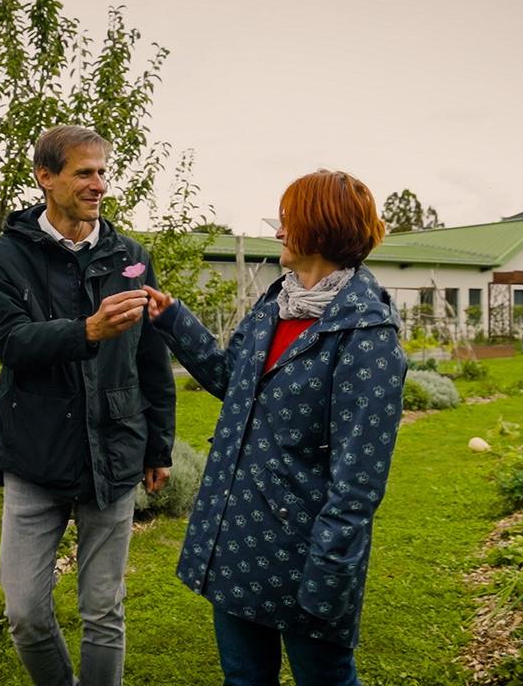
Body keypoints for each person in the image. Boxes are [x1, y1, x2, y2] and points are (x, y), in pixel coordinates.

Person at [143, 169, 406, 686]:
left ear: (320, 228)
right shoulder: (275, 305)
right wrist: (174, 319)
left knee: (324, 679)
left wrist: (330, 572)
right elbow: (230, 380)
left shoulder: (366, 336)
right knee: (243, 679)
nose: (279, 232)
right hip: (239, 531)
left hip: (306, 548)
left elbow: (359, 480)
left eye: (288, 221)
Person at [0, 125, 176, 686]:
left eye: (103, 172)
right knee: (25, 615)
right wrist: (86, 329)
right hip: (35, 452)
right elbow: (12, 343)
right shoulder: (6, 256)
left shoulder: (130, 256)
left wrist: (158, 444)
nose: (99, 185)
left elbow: (150, 358)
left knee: (103, 611)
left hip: (113, 450)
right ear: (45, 177)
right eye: (84, 172)